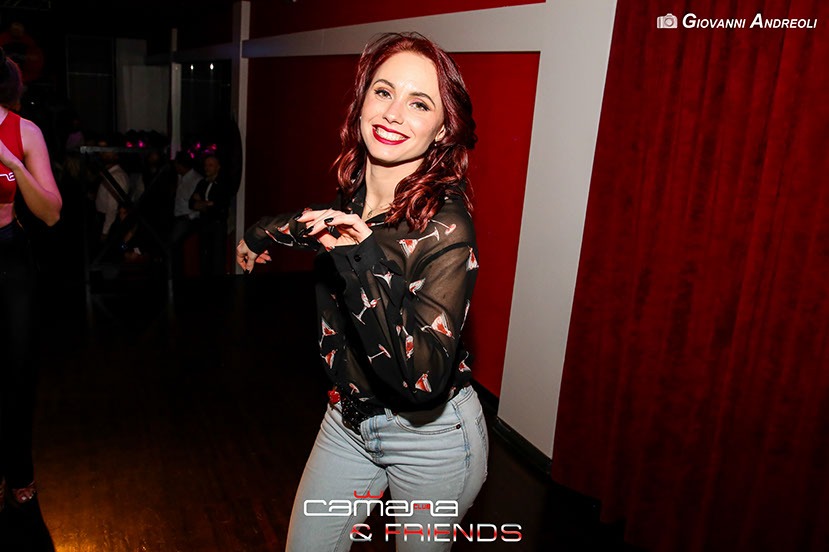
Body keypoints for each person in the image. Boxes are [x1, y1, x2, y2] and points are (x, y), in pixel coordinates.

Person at [236, 32, 487, 551]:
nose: (393, 113)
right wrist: (260, 233)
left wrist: (360, 257)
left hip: (430, 438)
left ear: (443, 129)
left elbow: (420, 380)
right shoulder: (355, 192)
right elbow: (322, 225)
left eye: (419, 103)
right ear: (362, 99)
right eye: (383, 91)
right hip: (348, 418)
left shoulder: (446, 228)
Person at [0, 46, 61, 520]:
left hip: (8, 257)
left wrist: (13, 163)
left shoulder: (24, 131)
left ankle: (18, 469)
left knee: (17, 369)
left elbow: (51, 213)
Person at [190, 154, 232, 276]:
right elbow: (192, 203)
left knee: (217, 257)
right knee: (204, 256)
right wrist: (207, 204)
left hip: (217, 225)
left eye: (210, 165)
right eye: (206, 165)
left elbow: (219, 205)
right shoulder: (202, 183)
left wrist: (203, 203)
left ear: (218, 167)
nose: (207, 168)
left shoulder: (223, 184)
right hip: (204, 224)